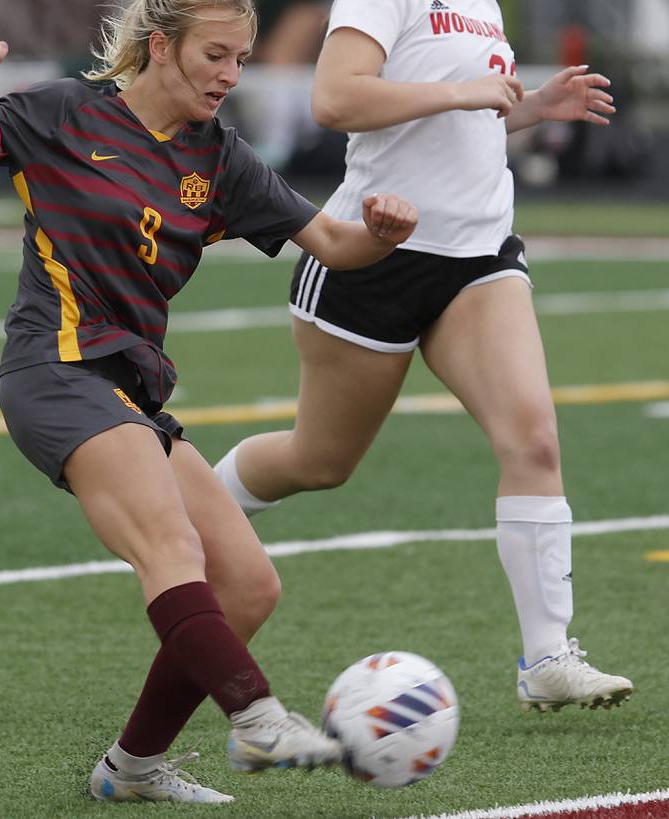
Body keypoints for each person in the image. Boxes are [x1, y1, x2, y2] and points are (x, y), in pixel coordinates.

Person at [0, 0, 418, 805]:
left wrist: (379, 233)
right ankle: (255, 714)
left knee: (249, 584)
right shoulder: (60, 113)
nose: (231, 75)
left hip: (128, 389)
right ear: (162, 46)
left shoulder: (221, 160)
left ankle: (131, 767)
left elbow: (337, 245)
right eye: (216, 55)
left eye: (241, 59)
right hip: (54, 367)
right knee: (171, 546)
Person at [215, 0, 634, 713]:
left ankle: (548, 655)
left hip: (479, 255)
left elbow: (458, 122)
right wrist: (463, 91)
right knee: (319, 460)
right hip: (372, 252)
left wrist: (531, 107)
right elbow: (336, 98)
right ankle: (189, 519)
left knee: (532, 436)